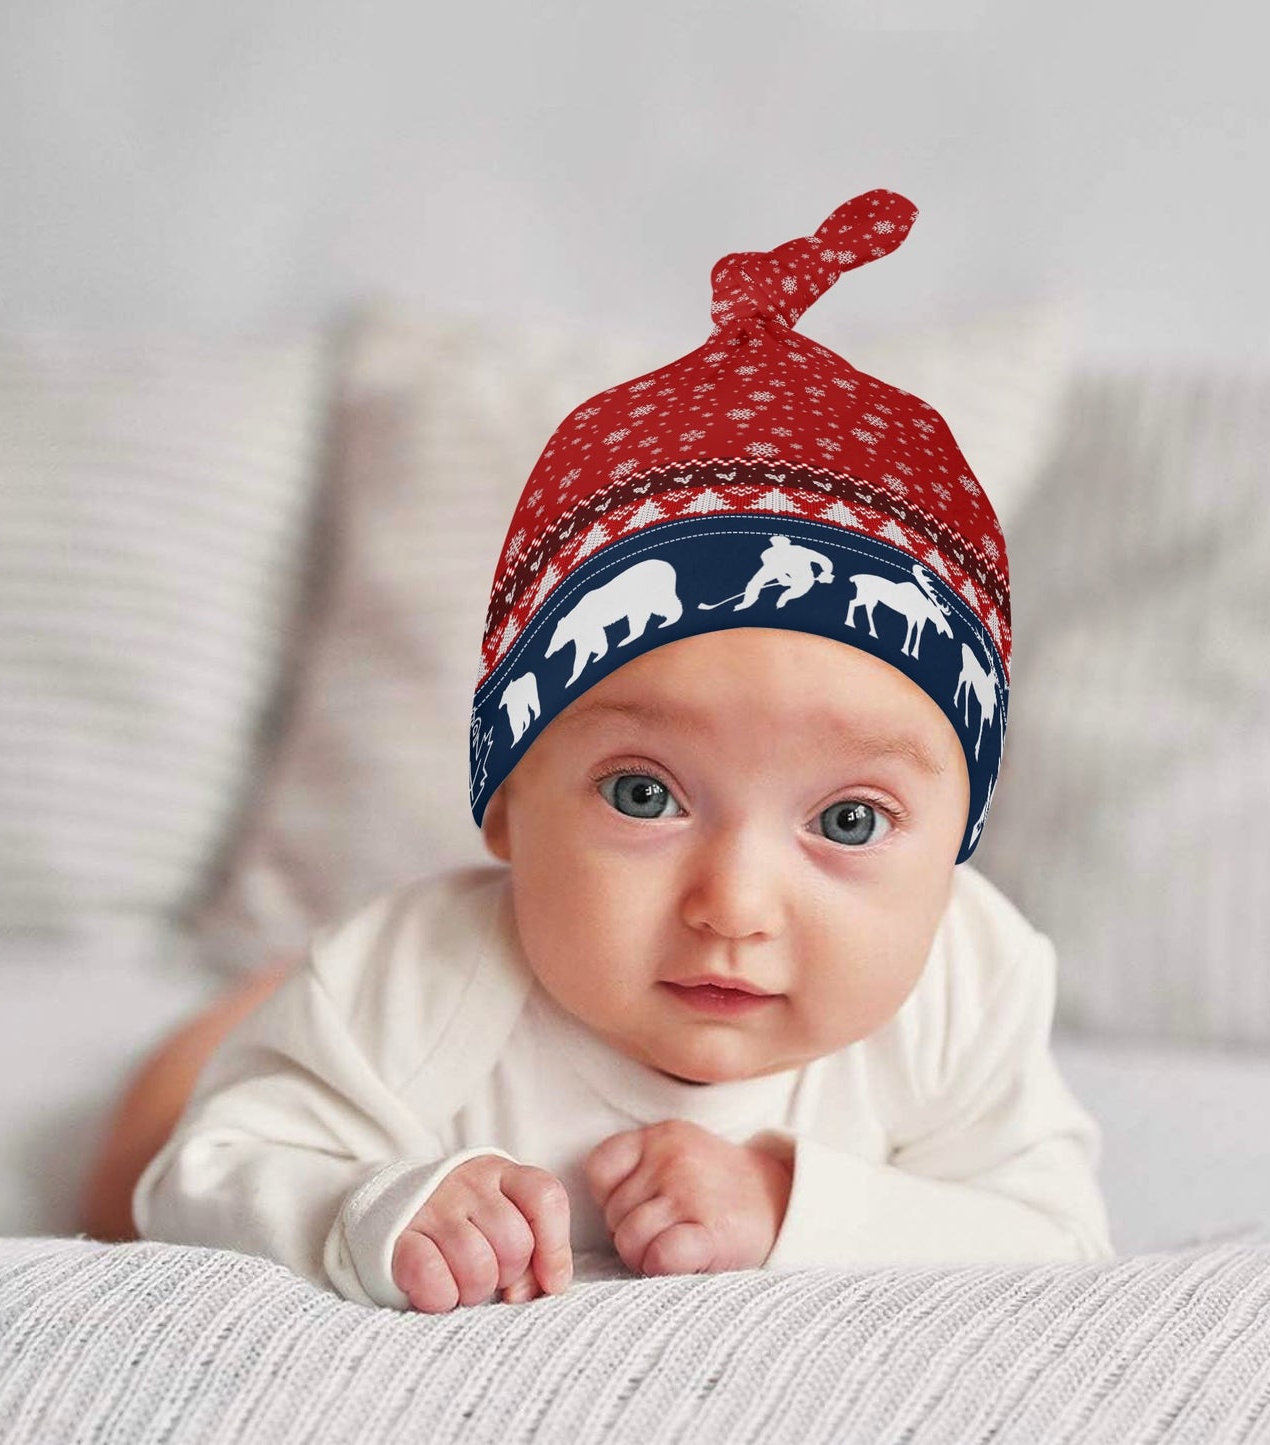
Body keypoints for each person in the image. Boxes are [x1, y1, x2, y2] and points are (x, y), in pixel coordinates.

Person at [89, 188, 1113, 1313]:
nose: (733, 904)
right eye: (643, 792)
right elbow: (196, 1179)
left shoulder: (968, 981)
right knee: (127, 1154)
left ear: (955, 849)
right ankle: (227, 1015)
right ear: (507, 798)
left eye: (848, 820)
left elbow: (1058, 1242)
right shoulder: (414, 976)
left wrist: (786, 1203)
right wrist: (377, 1205)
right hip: (312, 1033)